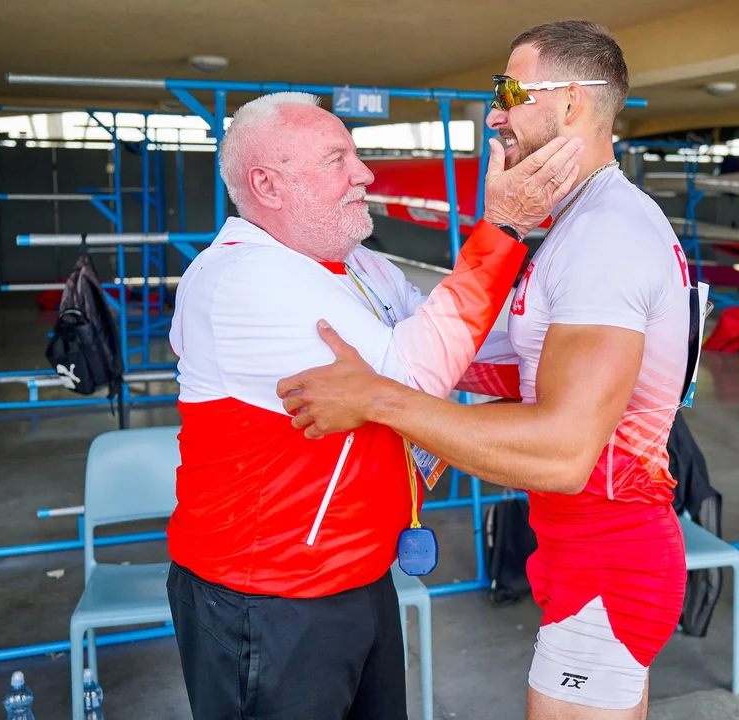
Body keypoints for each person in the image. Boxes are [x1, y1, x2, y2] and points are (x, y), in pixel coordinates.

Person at [277, 20, 694, 720]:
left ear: (570, 104)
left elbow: (563, 451)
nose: (495, 112)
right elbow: (518, 369)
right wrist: (389, 334)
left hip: (604, 559)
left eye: (508, 90)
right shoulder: (583, 224)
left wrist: (384, 401)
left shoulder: (606, 236)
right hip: (584, 554)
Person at [164, 90, 585, 720]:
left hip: (358, 570)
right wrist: (502, 229)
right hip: (269, 594)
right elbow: (412, 377)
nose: (364, 173)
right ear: (267, 185)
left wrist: (586, 347)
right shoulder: (243, 280)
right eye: (337, 159)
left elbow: (456, 348)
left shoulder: (354, 265)